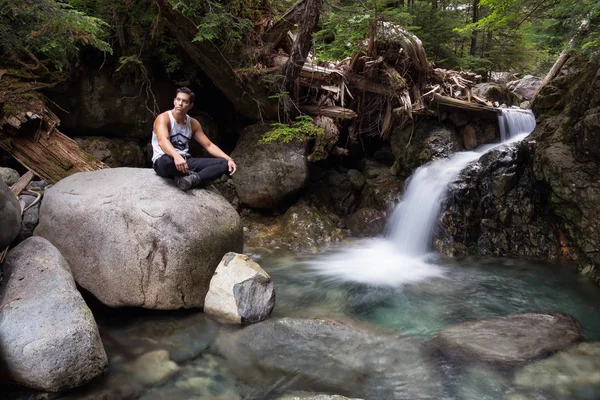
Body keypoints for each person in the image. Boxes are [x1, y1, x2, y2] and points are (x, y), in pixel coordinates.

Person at [151, 87, 237, 190]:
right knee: (166, 161)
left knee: (223, 163)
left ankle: (192, 179)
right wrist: (176, 156)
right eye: (178, 100)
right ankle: (189, 176)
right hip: (165, 160)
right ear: (174, 101)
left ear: (190, 105)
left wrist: (229, 159)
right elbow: (162, 140)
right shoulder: (164, 118)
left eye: (184, 101)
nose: (180, 104)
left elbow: (208, 145)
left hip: (186, 161)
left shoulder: (193, 123)